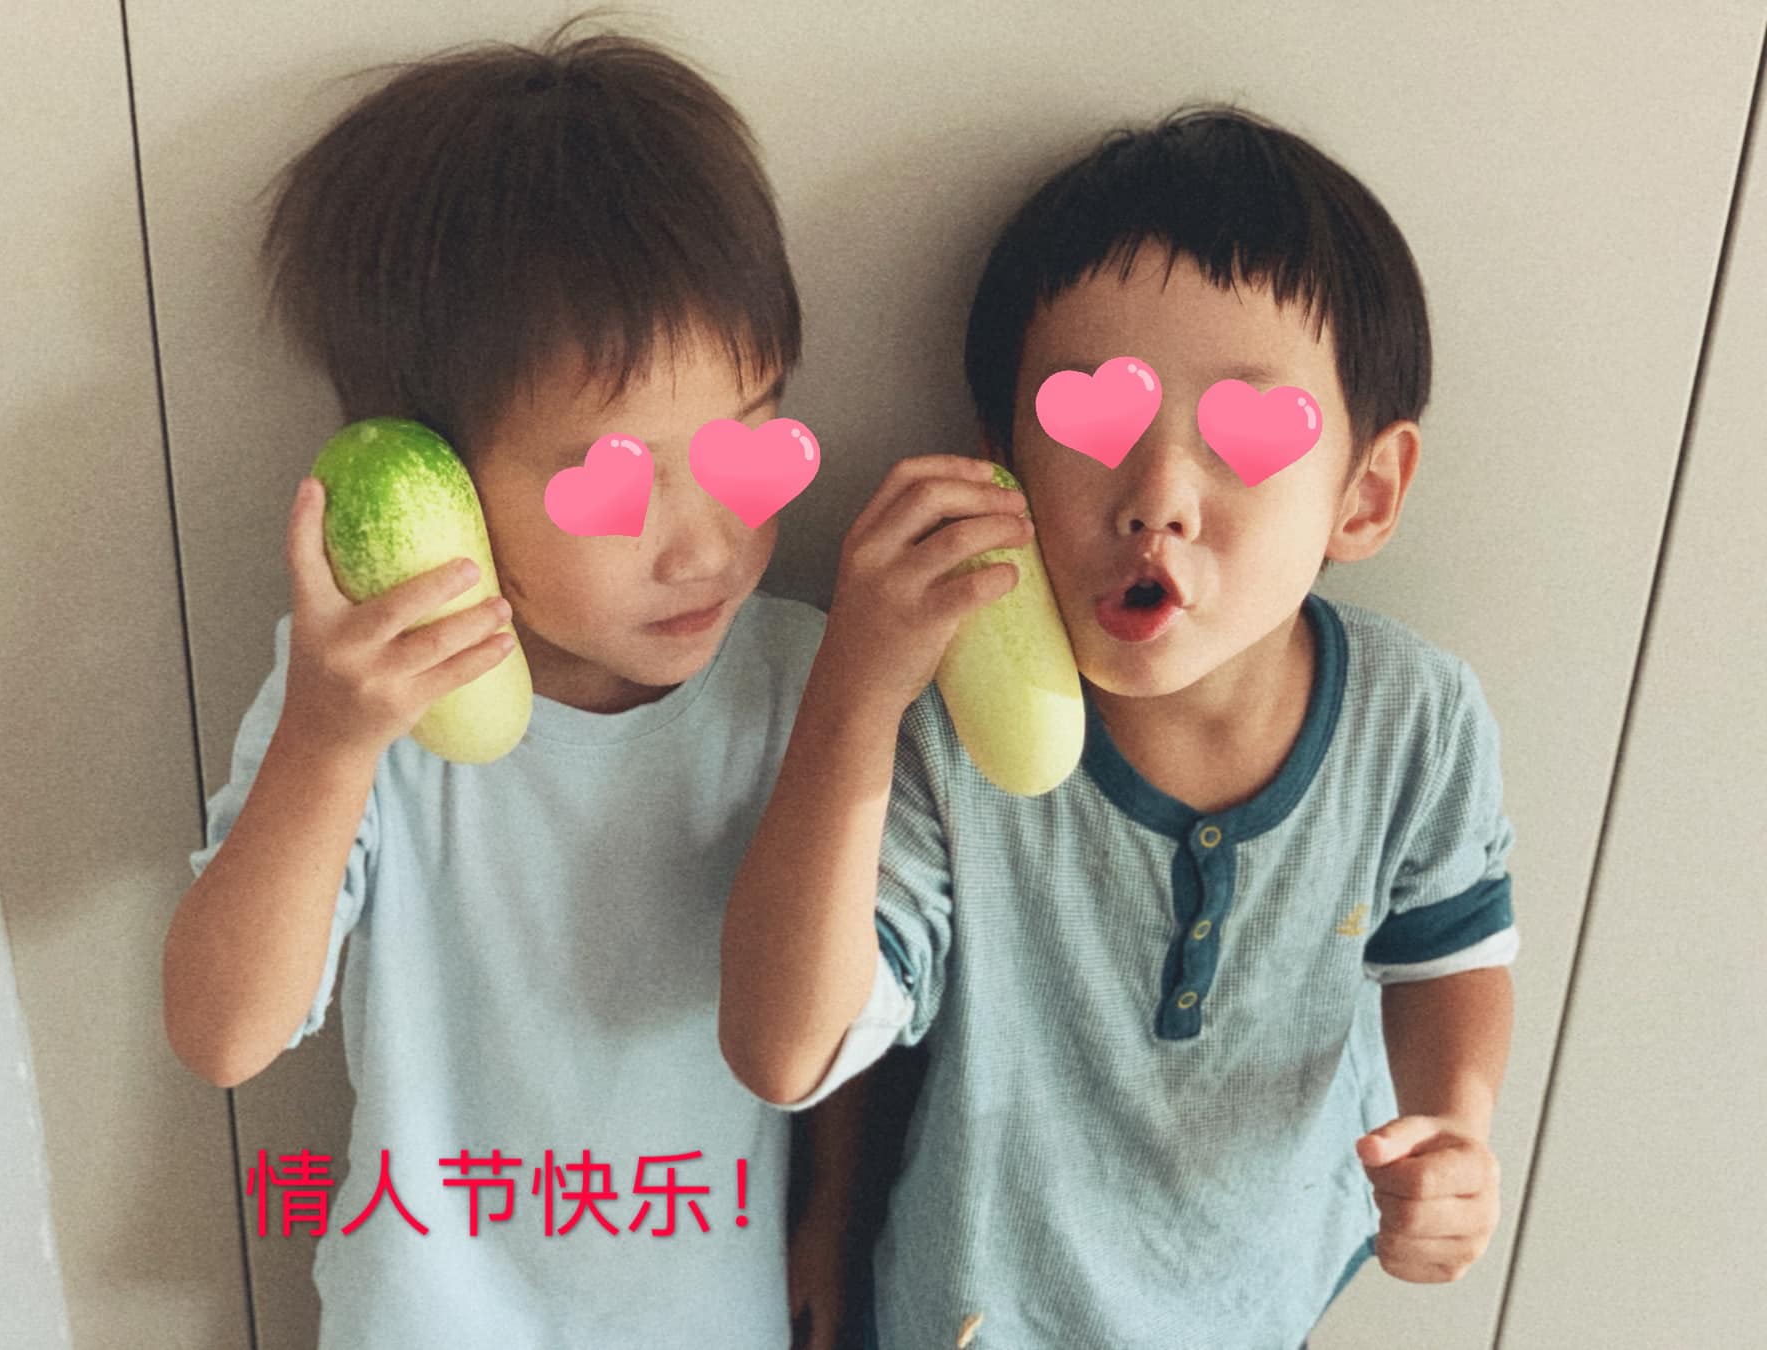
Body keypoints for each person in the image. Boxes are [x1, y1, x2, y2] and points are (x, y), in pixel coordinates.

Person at [720, 103, 1519, 1349]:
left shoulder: (1416, 720)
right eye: (1091, 425)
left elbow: (1451, 955)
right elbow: (786, 1051)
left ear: (1364, 495)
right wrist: (854, 694)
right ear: (1000, 465)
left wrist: (1455, 1123)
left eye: (1244, 432)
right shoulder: (948, 734)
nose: (1158, 499)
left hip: (1260, 1306)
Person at [163, 17, 858, 1347]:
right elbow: (223, 1035)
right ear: (431, 479)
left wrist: (831, 1209)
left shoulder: (802, 676)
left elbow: (841, 988)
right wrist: (327, 744)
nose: (702, 544)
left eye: (748, 437)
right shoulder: (360, 703)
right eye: (610, 481)